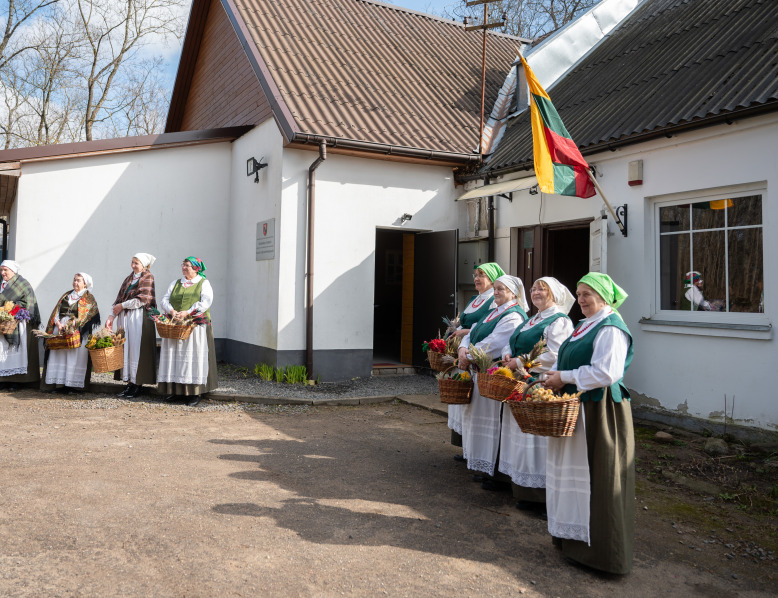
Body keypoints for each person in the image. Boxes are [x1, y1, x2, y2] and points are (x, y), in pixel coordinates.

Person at [543, 272, 634, 574]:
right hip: (573, 406)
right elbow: (563, 357)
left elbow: (607, 373)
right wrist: (553, 376)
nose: (581, 299)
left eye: (587, 294)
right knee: (569, 473)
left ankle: (601, 555)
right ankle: (571, 540)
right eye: (579, 294)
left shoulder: (611, 328)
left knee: (598, 477)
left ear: (604, 297)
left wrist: (565, 377)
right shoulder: (584, 325)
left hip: (600, 410)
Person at [498, 277, 574, 512]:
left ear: (555, 293)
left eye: (542, 288)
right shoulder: (532, 320)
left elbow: (554, 354)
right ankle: (519, 485)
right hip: (520, 379)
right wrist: (508, 355)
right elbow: (512, 341)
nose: (536, 292)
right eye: (533, 288)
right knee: (520, 434)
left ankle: (538, 495)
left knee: (535, 437)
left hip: (539, 382)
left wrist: (521, 361)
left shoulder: (560, 321)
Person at [457, 274, 527, 487]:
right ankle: (481, 464)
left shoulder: (513, 316)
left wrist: (467, 356)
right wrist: (462, 348)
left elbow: (494, 344)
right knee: (478, 421)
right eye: (495, 288)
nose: (495, 292)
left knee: (494, 425)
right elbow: (473, 332)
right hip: (480, 372)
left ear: (513, 293)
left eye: (501, 289)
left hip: (495, 376)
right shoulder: (494, 311)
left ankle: (494, 469)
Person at [448, 262, 505, 457]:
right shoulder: (475, 299)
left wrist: (465, 333)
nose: (477, 278)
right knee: (464, 402)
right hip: (466, 350)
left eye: (482, 275)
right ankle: (467, 449)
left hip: (480, 355)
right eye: (475, 274)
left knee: (476, 405)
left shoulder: (493, 301)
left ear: (493, 279)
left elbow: (488, 328)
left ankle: (476, 452)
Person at [157, 257, 217, 406]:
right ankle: (176, 391)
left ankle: (194, 394)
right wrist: (171, 310)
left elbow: (206, 302)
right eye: (183, 265)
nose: (184, 268)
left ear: (196, 268)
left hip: (194, 326)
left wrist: (188, 312)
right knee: (175, 357)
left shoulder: (204, 283)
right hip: (176, 326)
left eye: (187, 266)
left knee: (192, 359)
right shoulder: (176, 283)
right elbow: (164, 299)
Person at [106, 253, 157, 398]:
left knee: (136, 349)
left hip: (139, 317)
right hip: (125, 317)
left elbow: (142, 300)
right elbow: (119, 299)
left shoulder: (148, 277)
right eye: (132, 262)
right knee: (126, 349)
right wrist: (111, 316)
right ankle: (129, 383)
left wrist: (122, 305)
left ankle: (137, 383)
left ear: (144, 265)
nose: (133, 265)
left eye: (137, 263)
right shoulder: (129, 278)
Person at [41, 273, 100, 394]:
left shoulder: (88, 298)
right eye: (74, 280)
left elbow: (86, 316)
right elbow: (56, 312)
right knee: (60, 355)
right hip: (61, 329)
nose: (75, 283)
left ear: (85, 283)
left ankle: (73, 386)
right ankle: (60, 384)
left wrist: (72, 326)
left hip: (77, 332)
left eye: (78, 280)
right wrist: (58, 324)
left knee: (74, 357)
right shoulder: (66, 295)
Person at [0, 260, 41, 391]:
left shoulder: (23, 284)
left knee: (17, 352)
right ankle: (3, 380)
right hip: (5, 322)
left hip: (19, 323)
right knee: (3, 351)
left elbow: (28, 303)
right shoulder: (2, 285)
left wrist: (12, 309)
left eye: (5, 270)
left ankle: (17, 381)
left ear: (13, 270)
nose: (3, 273)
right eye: (1, 270)